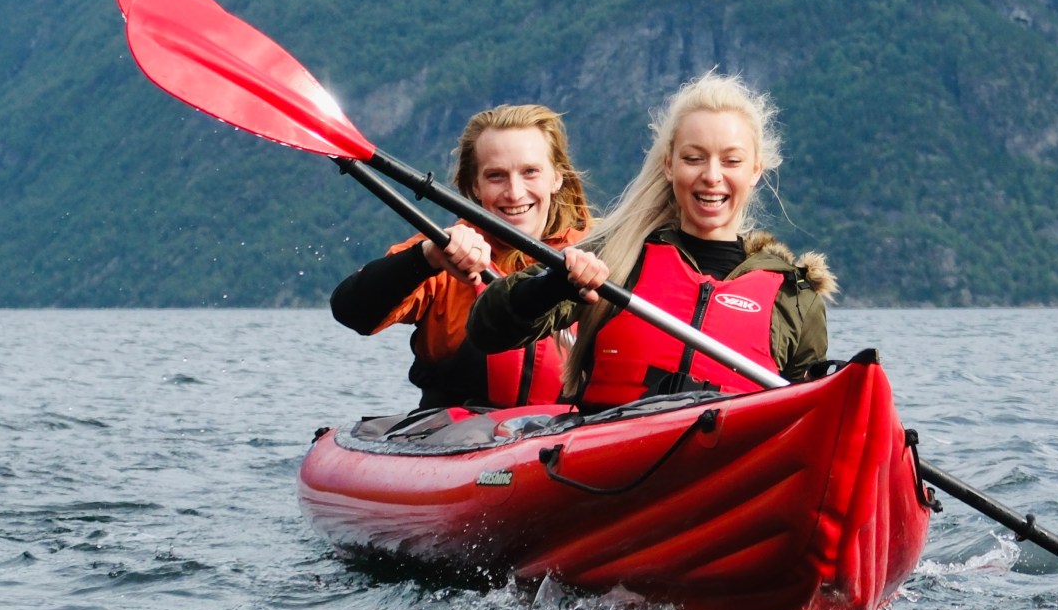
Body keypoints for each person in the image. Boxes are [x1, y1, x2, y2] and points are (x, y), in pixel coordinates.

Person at [466, 72, 833, 409]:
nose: (711, 176)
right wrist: (554, 284)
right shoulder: (614, 256)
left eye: (731, 161)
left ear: (755, 171)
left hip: (726, 465)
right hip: (606, 463)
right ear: (670, 165)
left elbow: (810, 415)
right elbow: (488, 330)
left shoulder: (794, 296)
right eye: (694, 158)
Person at [327, 104, 591, 409]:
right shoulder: (442, 251)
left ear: (556, 178)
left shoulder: (597, 253)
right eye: (496, 176)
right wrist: (427, 258)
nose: (515, 192)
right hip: (456, 437)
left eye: (530, 172)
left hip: (569, 437)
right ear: (474, 186)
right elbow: (352, 311)